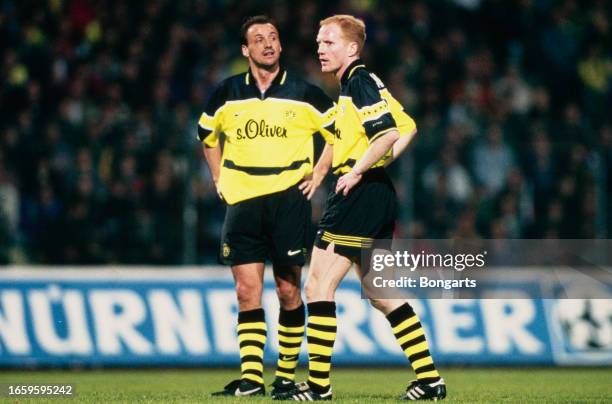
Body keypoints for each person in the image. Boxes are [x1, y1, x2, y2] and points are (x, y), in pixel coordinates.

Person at [275, 15, 446, 401]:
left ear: (352, 48)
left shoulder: (359, 82)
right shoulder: (362, 84)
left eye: (330, 42)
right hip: (376, 193)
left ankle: (319, 388)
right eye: (319, 42)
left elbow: (386, 134)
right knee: (379, 291)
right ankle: (430, 380)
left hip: (360, 195)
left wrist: (357, 171)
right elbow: (408, 127)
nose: (321, 48)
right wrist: (362, 168)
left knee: (319, 285)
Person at [198, 15, 335, 397]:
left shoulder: (305, 92)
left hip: (289, 199)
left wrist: (321, 171)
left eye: (273, 36)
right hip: (241, 201)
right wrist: (217, 177)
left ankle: (286, 378)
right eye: (258, 39)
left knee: (288, 290)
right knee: (246, 290)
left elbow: (339, 132)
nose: (268, 43)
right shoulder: (226, 93)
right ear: (246, 50)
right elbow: (207, 135)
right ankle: (252, 379)